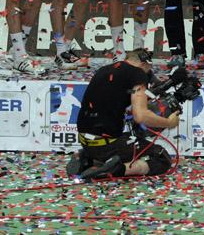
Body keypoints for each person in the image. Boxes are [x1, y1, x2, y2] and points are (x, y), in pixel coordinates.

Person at [70, 51, 178, 180]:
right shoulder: (137, 74)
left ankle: (89, 159)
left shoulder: (104, 69)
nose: (149, 74)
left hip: (85, 140)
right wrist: (169, 123)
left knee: (130, 136)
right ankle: (116, 169)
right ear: (143, 64)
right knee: (161, 158)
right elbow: (140, 116)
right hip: (107, 145)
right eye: (149, 69)